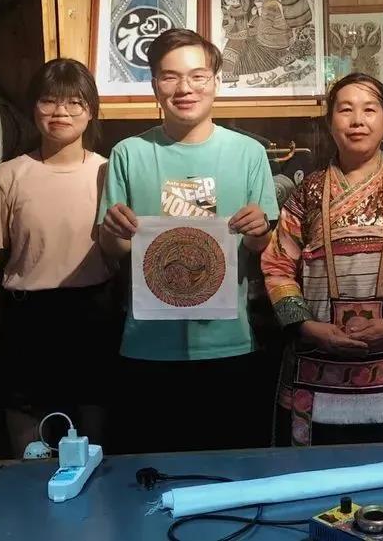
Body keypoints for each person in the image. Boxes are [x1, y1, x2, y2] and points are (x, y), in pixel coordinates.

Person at [98, 28, 278, 453]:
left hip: (228, 342)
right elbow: (114, 251)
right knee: (149, 472)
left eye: (198, 76)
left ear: (216, 81)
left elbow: (263, 250)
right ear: (154, 85)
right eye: (170, 76)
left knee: (231, 469)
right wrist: (114, 232)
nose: (185, 88)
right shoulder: (128, 153)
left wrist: (259, 233)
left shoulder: (248, 153)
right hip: (147, 345)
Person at [261, 73, 383, 446]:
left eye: (369, 110)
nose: (357, 121)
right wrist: (307, 327)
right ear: (329, 121)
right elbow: (277, 266)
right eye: (345, 110)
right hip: (318, 364)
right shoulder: (305, 194)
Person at [0, 58, 116, 457]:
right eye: (49, 101)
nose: (60, 112)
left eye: (74, 103)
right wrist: (6, 310)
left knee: (93, 421)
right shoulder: (7, 176)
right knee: (26, 424)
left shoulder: (109, 172)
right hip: (28, 314)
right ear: (33, 107)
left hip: (94, 310)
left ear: (91, 111)